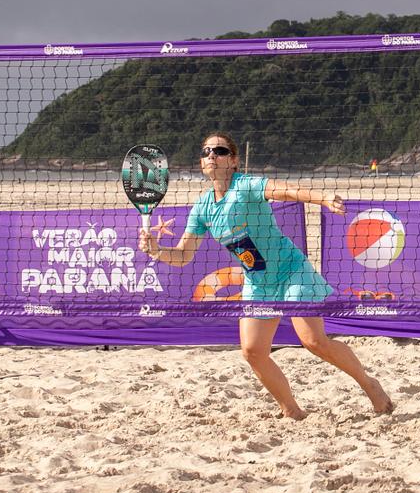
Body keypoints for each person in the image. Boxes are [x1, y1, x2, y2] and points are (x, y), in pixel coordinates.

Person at [139, 133, 392, 420]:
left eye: (220, 151)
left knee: (314, 342)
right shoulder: (203, 207)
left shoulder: (245, 185)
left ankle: (369, 385)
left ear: (233, 160)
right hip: (258, 280)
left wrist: (321, 198)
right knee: (252, 351)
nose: (212, 155)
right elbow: (183, 255)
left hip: (291, 271)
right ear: (201, 161)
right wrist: (158, 250)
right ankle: (291, 410)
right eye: (207, 151)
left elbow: (287, 191)